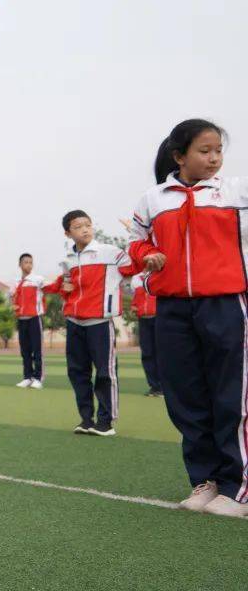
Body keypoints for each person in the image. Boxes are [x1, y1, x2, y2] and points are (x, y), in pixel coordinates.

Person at [127, 118, 248, 517]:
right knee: (185, 397)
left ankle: (239, 487)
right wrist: (147, 255)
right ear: (179, 156)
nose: (214, 159)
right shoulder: (154, 198)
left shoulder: (235, 193)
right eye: (204, 151)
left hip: (225, 303)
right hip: (174, 309)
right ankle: (206, 480)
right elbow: (136, 242)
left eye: (218, 151)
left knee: (231, 395)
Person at [46, 210, 137, 438]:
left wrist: (134, 233)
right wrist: (64, 291)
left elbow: (135, 265)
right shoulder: (68, 260)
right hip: (74, 323)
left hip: (99, 322)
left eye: (87, 224)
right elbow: (65, 287)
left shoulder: (110, 253)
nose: (85, 229)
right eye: (78, 226)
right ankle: (86, 419)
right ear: (67, 233)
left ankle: (106, 422)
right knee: (77, 372)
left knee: (106, 373)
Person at [10, 253, 60, 389]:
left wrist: (62, 279)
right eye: (26, 262)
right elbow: (12, 298)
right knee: (25, 350)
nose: (28, 265)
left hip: (34, 318)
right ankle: (27, 377)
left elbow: (53, 288)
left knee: (37, 350)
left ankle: (38, 378)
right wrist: (13, 306)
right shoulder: (15, 282)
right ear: (20, 264)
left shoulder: (38, 279)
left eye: (30, 262)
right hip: (21, 319)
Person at [129, 273, 162, 397]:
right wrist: (134, 306)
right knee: (147, 353)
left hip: (159, 318)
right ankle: (154, 386)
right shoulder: (136, 278)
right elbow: (136, 296)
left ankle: (164, 386)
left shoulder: (160, 273)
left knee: (161, 353)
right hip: (143, 319)